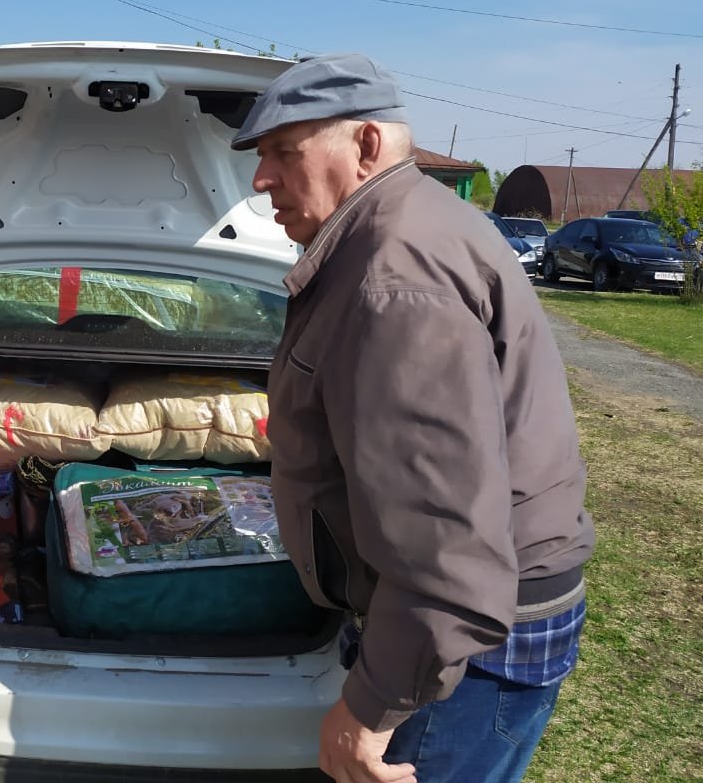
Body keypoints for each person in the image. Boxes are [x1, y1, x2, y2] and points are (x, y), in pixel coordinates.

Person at [229, 53, 594, 783]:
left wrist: (368, 710)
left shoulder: (393, 278)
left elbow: (444, 549)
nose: (261, 179)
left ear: (365, 145)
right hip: (475, 630)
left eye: (283, 152)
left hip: (462, 652)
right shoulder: (403, 229)